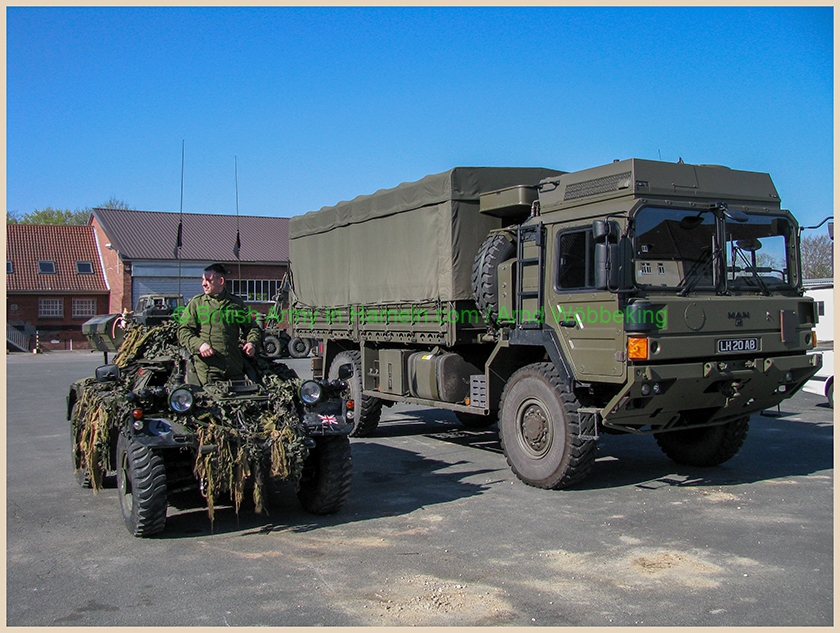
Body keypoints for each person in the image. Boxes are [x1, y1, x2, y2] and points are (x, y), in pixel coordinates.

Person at [177, 263, 262, 385]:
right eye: (202, 280)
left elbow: (252, 328)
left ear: (221, 281)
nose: (203, 284)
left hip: (234, 368)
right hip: (208, 369)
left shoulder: (236, 304)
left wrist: (251, 342)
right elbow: (183, 331)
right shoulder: (197, 304)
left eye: (208, 280)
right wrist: (200, 345)